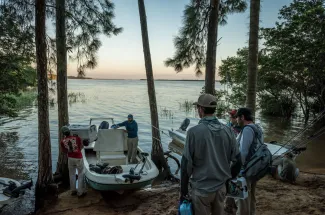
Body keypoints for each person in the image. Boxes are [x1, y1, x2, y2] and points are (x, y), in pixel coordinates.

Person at [180, 94, 242, 215]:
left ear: (201, 109)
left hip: (201, 190)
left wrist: (183, 191)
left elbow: (186, 164)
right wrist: (228, 179)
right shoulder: (228, 130)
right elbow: (238, 161)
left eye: (197, 108)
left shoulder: (193, 132)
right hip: (221, 188)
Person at [235, 107, 264, 215]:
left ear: (242, 117)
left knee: (242, 195)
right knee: (252, 193)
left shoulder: (247, 129)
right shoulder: (258, 128)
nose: (237, 120)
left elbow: (243, 151)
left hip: (247, 168)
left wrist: (239, 168)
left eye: (237, 117)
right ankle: (252, 212)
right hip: (256, 166)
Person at [60, 126, 86, 197]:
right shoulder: (77, 138)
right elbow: (81, 146)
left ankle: (73, 190)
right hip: (78, 157)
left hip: (70, 158)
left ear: (63, 134)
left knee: (72, 174)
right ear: (69, 131)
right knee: (80, 174)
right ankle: (80, 192)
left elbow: (64, 151)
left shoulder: (62, 141)